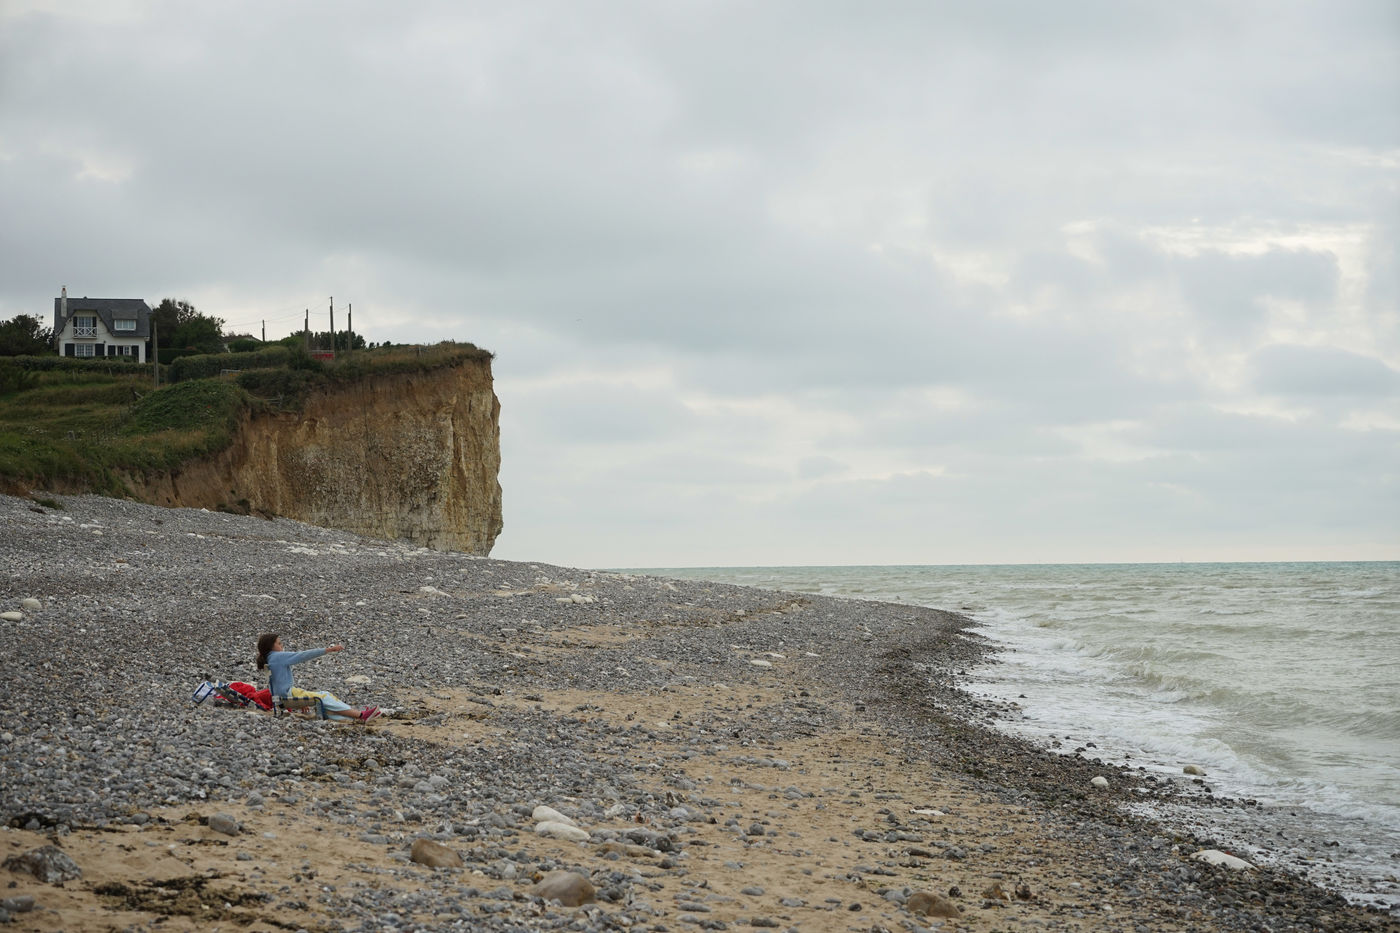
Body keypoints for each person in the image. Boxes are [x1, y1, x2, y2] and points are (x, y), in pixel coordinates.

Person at [255, 633, 380, 722]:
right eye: (279, 643)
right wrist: (327, 650)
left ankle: (353, 718)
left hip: (284, 695)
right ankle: (360, 715)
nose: (282, 646)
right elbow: (302, 655)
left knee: (325, 698)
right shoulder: (277, 656)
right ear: (271, 646)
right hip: (288, 695)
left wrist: (299, 700)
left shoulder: (270, 658)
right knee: (324, 696)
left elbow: (275, 686)